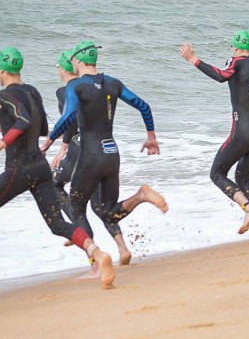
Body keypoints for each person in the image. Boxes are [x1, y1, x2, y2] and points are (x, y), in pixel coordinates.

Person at [0, 47, 116, 288]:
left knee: (58, 222)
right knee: (57, 224)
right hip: (40, 169)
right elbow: (42, 126)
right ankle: (98, 254)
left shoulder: (5, 95)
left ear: (2, 70)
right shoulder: (32, 92)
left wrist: (3, 141)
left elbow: (23, 121)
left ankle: (98, 256)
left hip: (19, 169)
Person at [43, 41, 166, 261]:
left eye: (73, 59)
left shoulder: (75, 87)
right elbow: (143, 106)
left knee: (76, 208)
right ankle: (140, 196)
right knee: (107, 210)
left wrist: (49, 141)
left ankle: (95, 262)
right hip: (111, 153)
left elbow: (69, 116)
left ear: (79, 60)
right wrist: (151, 138)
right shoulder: (113, 83)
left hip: (90, 157)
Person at [179, 31, 249, 239]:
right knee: (243, 178)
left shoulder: (235, 62)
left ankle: (248, 208)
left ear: (234, 48)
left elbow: (221, 76)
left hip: (242, 132)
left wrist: (192, 59)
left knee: (217, 173)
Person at [51, 49, 132, 265]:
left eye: (57, 66)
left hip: (80, 150)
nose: (57, 70)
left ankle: (79, 233)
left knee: (54, 183)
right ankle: (122, 248)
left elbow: (70, 121)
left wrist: (62, 147)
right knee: (99, 206)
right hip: (99, 150)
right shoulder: (91, 87)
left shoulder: (65, 91)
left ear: (65, 67)